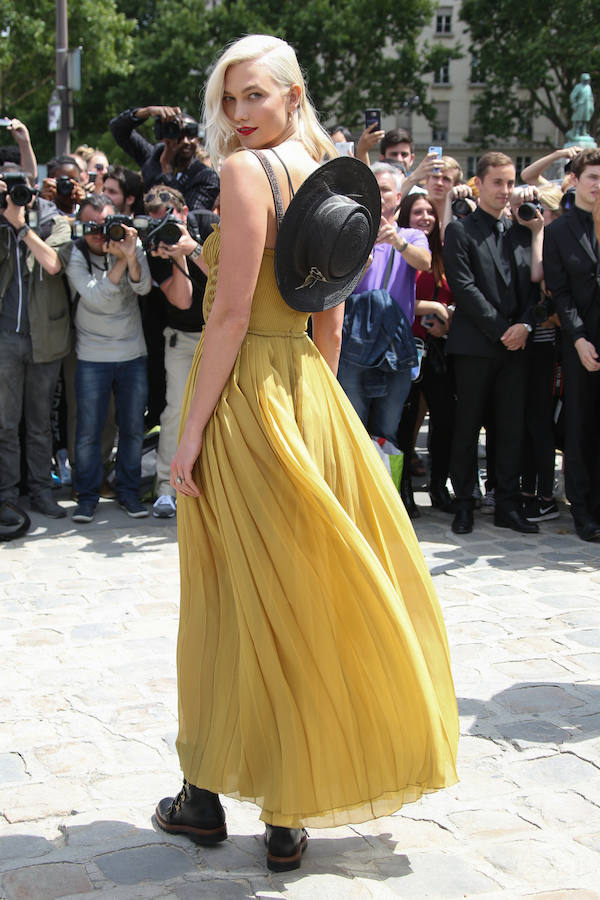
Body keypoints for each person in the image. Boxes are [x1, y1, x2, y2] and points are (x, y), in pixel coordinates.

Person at [155, 33, 458, 874]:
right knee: (298, 592)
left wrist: (190, 434)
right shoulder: (330, 174)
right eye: (229, 98)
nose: (239, 112)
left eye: (255, 94)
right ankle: (285, 816)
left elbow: (227, 316)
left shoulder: (245, 172)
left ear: (294, 93)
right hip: (305, 390)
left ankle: (203, 796)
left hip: (241, 395)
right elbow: (329, 316)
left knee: (227, 597)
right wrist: (314, 407)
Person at [443, 152, 544, 535]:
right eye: (497, 182)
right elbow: (464, 287)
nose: (505, 190)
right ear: (479, 184)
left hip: (517, 347)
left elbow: (535, 288)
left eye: (510, 182)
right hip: (475, 346)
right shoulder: (460, 231)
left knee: (510, 428)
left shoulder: (522, 231)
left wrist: (525, 326)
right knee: (467, 426)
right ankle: (464, 502)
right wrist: (504, 330)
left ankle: (507, 503)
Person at [63, 194, 152, 523]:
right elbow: (95, 297)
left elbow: (143, 288)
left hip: (132, 352)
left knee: (132, 428)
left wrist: (131, 255)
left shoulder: (131, 243)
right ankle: (86, 497)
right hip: (92, 355)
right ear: (80, 227)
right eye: (91, 226)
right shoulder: (75, 253)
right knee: (89, 429)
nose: (100, 234)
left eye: (105, 225)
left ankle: (129, 493)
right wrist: (122, 261)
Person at [337, 162, 431, 446]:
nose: (378, 195)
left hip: (395, 346)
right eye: (372, 189)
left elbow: (425, 263)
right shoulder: (348, 236)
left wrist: (398, 243)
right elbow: (334, 289)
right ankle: (354, 476)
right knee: (352, 428)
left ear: (399, 197)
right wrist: (359, 266)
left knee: (387, 431)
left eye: (385, 190)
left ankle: (384, 475)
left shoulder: (412, 235)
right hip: (353, 346)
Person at [142, 184, 217, 519]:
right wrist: (177, 256)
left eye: (168, 217)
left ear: (184, 212)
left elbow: (230, 276)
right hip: (183, 338)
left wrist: (194, 248)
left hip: (220, 336)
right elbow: (183, 300)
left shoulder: (209, 224)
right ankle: (165, 488)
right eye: (156, 219)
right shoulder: (156, 244)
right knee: (175, 411)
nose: (164, 225)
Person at [0, 170, 71, 519]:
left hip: (45, 338)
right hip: (6, 338)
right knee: (5, 424)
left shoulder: (53, 221)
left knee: (40, 423)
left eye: (22, 188)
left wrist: (22, 227)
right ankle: (8, 496)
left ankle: (42, 491)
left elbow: (54, 264)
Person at [543, 148, 600, 541]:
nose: (598, 185)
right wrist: (578, 339)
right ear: (575, 181)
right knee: (580, 426)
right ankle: (583, 509)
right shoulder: (559, 232)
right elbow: (560, 294)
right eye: (593, 177)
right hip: (579, 341)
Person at [396, 192, 456, 517]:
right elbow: (398, 295)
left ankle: (438, 487)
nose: (426, 217)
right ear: (406, 215)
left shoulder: (443, 254)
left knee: (444, 419)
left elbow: (455, 297)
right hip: (406, 346)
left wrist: (447, 318)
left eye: (430, 212)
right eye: (418, 212)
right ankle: (403, 488)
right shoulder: (403, 251)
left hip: (439, 350)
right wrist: (433, 307)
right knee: (406, 424)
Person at [109, 105, 220, 211]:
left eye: (190, 134)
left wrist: (166, 168)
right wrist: (147, 112)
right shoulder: (153, 157)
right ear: (165, 136)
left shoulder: (206, 177)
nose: (185, 141)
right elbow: (118, 129)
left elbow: (188, 214)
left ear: (198, 140)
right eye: (179, 134)